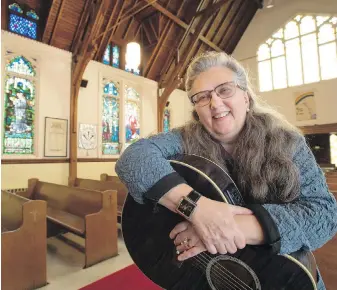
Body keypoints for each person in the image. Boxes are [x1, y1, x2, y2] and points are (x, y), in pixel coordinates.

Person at [116, 51, 337, 290]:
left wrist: (217, 228)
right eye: (202, 97)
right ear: (196, 111)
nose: (215, 103)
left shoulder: (288, 142)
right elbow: (133, 158)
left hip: (286, 279)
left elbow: (324, 215)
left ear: (246, 97)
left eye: (225, 90)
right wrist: (197, 209)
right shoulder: (184, 140)